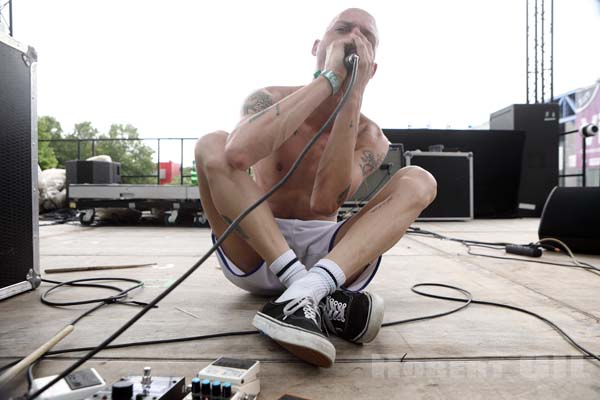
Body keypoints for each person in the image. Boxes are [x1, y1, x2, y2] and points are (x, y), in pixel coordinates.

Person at [194, 8, 437, 367]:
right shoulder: (267, 97)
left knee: (419, 180)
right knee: (211, 143)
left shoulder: (371, 135)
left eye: (366, 37)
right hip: (257, 244)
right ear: (317, 46)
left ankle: (309, 292)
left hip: (328, 257)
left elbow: (326, 199)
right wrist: (328, 80)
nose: (353, 38)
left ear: (372, 67)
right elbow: (238, 153)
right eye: (342, 29)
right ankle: (303, 288)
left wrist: (351, 96)